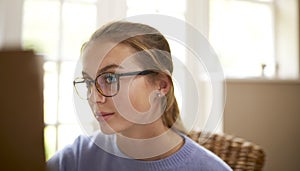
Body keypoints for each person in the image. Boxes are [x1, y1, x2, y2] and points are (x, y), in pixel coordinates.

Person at [47, 21, 232, 171]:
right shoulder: (76, 158)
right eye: (88, 82)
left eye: (110, 78)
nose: (95, 98)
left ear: (161, 84)